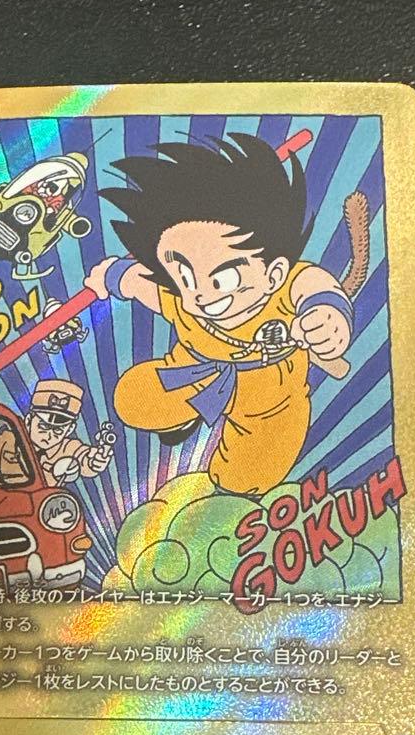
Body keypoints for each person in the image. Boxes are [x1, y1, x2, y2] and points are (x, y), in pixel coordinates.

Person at [84, 133, 355, 498]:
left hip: (269, 401)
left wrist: (327, 315)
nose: (200, 293)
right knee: (133, 401)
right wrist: (113, 276)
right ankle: (184, 417)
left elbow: (312, 284)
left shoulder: (284, 287)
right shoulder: (180, 297)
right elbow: (141, 283)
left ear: (273, 273)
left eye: (222, 277)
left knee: (246, 477)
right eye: (184, 275)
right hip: (191, 374)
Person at [0, 379, 113, 488]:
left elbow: (84, 458)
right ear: (29, 420)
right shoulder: (8, 440)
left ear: (69, 430)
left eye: (58, 431)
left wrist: (95, 461)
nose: (48, 436)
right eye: (42, 427)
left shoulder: (69, 448)